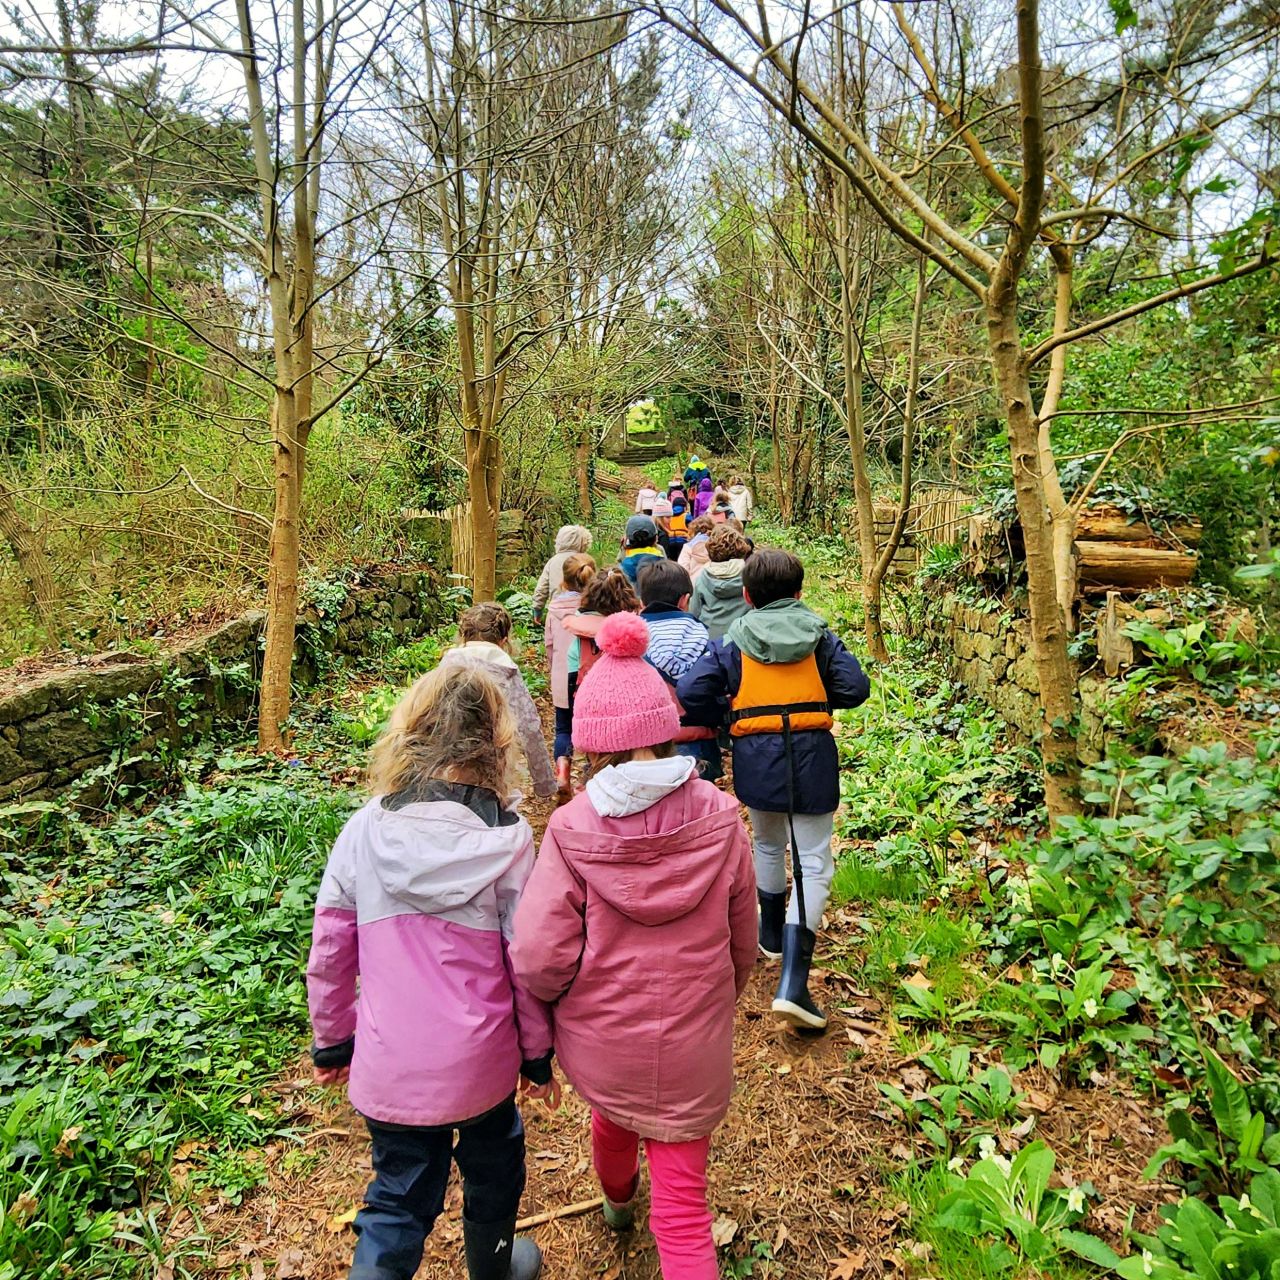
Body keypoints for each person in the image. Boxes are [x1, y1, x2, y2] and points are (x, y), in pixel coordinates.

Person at [510, 612, 756, 1280]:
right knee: (684, 1212)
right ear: (666, 727)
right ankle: (641, 1216)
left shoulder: (571, 827)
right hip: (693, 1040)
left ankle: (618, 1203)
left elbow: (538, 955)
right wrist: (721, 995)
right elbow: (743, 937)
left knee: (613, 1121)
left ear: (594, 744)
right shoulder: (719, 815)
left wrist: (559, 1007)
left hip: (605, 1040)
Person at [307, 665, 558, 1280]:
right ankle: (493, 1267)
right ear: (494, 744)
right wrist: (536, 1056)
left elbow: (331, 947)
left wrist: (333, 1042)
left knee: (396, 1202)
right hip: (481, 1063)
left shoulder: (364, 829)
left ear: (412, 732)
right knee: (496, 1168)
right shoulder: (509, 840)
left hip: (390, 1062)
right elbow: (523, 960)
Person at [677, 548, 870, 1032]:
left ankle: (770, 936)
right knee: (813, 860)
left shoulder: (733, 641)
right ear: (799, 593)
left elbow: (691, 691)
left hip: (756, 758)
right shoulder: (819, 637)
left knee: (766, 842)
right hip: (812, 755)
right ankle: (793, 983)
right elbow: (854, 687)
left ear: (747, 596)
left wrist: (731, 713)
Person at [439, 603, 556, 801]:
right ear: (503, 641)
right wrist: (544, 783)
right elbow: (529, 727)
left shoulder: (444, 669)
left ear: (463, 636)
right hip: (492, 767)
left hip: (445, 763)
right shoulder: (506, 673)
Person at [636, 559, 721, 782]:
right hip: (699, 736)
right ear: (685, 600)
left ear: (642, 601)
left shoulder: (634, 639)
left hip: (649, 741)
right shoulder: (701, 636)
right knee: (700, 796)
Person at [545, 553, 597, 798]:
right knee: (592, 726)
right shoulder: (593, 610)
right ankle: (590, 775)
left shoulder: (554, 609)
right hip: (589, 675)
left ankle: (563, 771)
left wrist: (552, 669)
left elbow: (549, 644)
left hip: (561, 673)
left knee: (563, 728)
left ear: (563, 581)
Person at [563, 567, 640, 685]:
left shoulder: (579, 644)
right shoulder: (636, 634)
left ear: (589, 596)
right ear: (628, 597)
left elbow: (573, 684)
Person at [688, 525, 752, 642]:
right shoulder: (750, 577)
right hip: (741, 640)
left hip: (709, 640)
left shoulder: (702, 578)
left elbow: (694, 614)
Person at [533, 525, 593, 624]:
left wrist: (537, 610)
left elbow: (541, 588)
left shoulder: (553, 561)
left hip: (557, 611)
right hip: (581, 612)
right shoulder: (585, 560)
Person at [619, 515, 666, 586]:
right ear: (655, 538)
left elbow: (619, 561)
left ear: (628, 540)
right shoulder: (661, 559)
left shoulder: (623, 567)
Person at [677, 515, 715, 582]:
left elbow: (682, 571)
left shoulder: (687, 547)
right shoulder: (718, 546)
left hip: (693, 584)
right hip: (714, 585)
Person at [665, 496, 690, 561]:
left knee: (673, 561)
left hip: (670, 541)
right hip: (683, 541)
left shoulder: (669, 516)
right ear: (684, 507)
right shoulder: (687, 516)